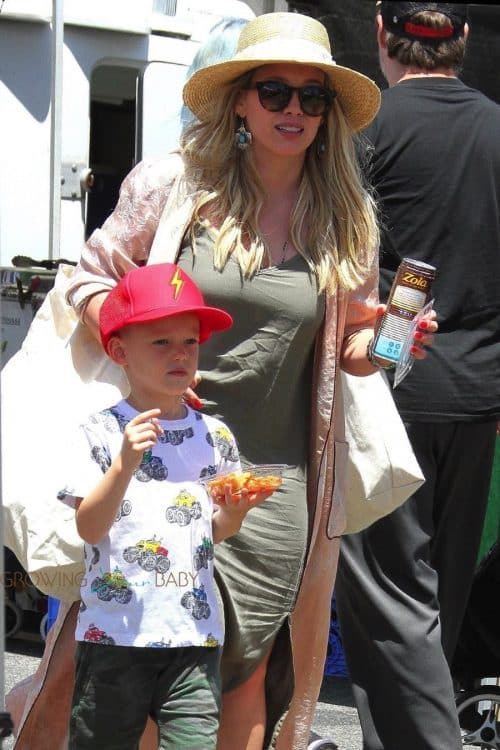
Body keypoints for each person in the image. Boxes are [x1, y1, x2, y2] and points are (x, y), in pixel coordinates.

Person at [3, 11, 435, 750]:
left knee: (237, 681)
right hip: (156, 467)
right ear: (240, 99)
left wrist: (391, 346)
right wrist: (144, 332)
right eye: (275, 91)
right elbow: (89, 279)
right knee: (121, 669)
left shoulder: (345, 218)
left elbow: (351, 351)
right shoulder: (177, 186)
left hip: (270, 484)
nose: (294, 109)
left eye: (312, 96)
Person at [335, 4, 500, 750]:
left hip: (389, 385)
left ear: (379, 32)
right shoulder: (496, 128)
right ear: (463, 39)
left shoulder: (364, 129)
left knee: (390, 600)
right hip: (479, 398)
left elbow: (356, 268)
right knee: (441, 598)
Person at [60, 261, 277, 749]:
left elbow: (210, 531)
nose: (180, 354)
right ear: (119, 351)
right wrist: (124, 464)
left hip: (194, 633)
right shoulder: (99, 432)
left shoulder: (214, 435)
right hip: (115, 635)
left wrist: (236, 512)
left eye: (190, 342)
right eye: (161, 342)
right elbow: (89, 528)